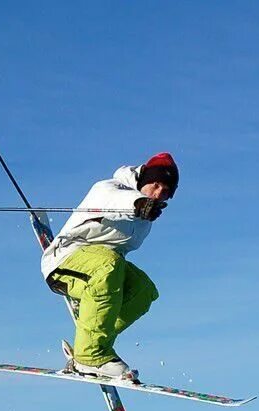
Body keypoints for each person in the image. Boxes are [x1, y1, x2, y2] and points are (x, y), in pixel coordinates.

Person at [40, 152, 178, 382]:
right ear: (145, 179)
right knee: (109, 264)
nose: (158, 193)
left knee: (143, 290)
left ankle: (91, 335)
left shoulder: (145, 221)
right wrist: (137, 204)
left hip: (101, 267)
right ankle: (90, 356)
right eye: (155, 185)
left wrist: (143, 209)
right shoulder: (110, 188)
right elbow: (116, 201)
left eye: (166, 192)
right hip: (65, 260)